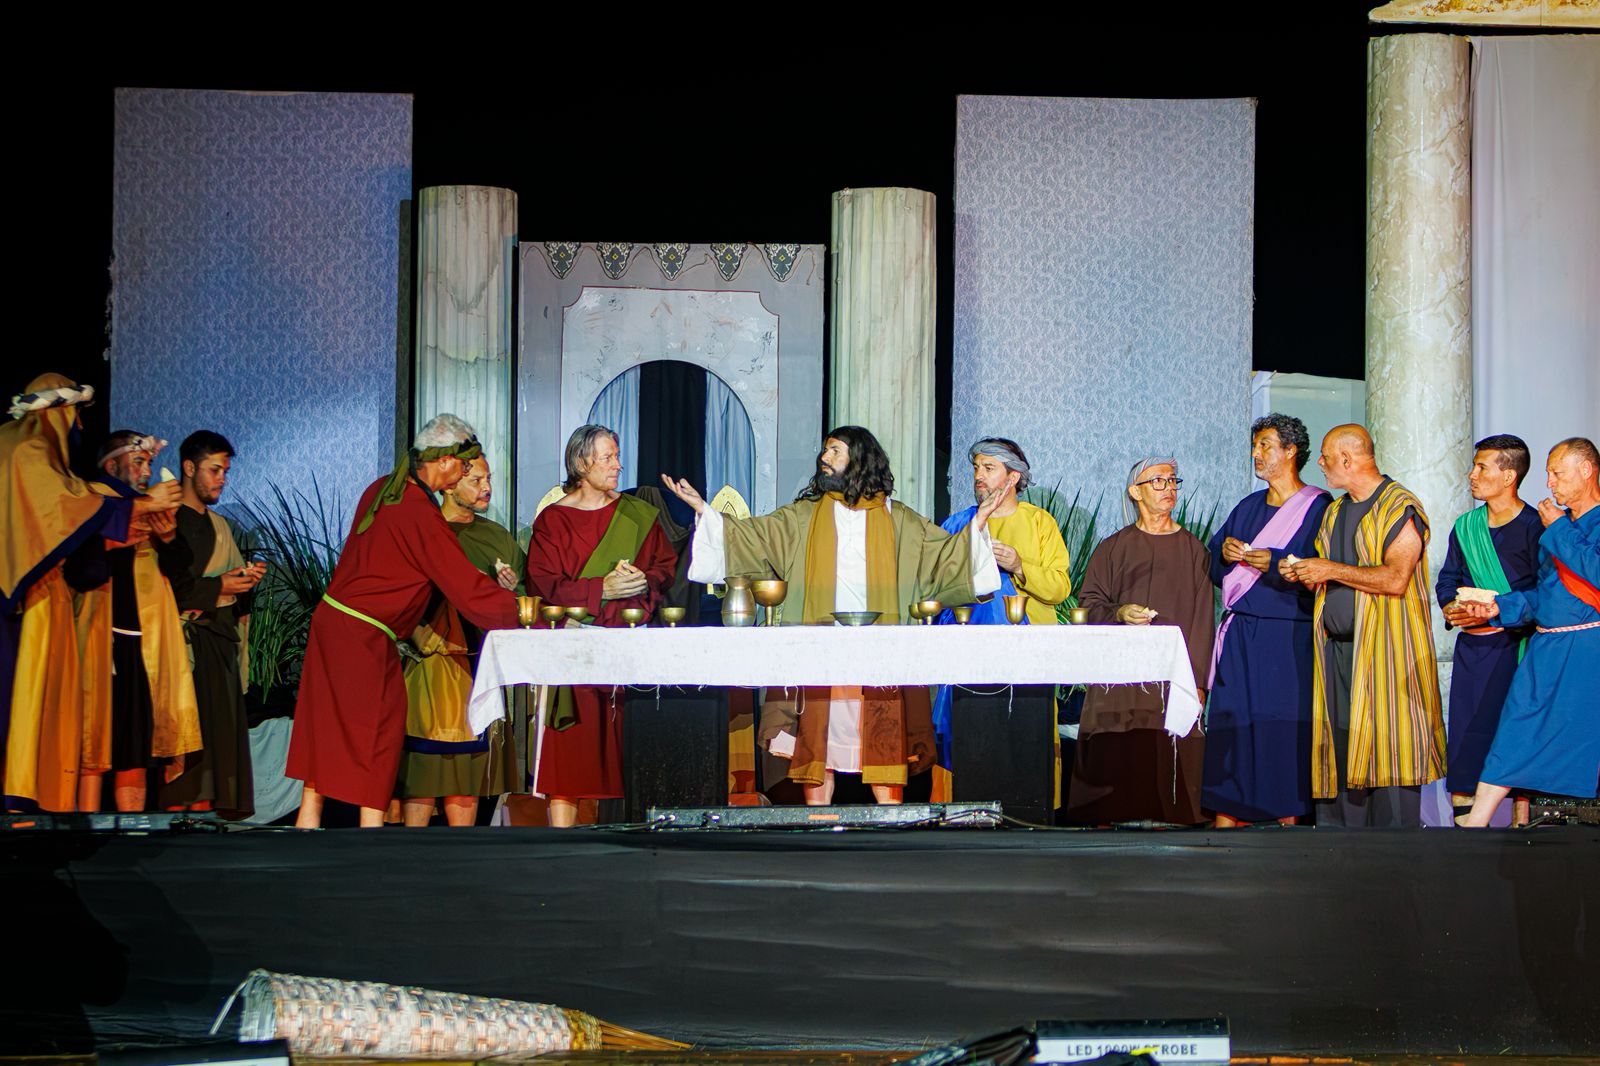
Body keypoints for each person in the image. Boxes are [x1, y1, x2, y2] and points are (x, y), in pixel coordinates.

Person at [663, 425, 1003, 806]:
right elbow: (754, 538)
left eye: (835, 451)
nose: (824, 458)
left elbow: (945, 557)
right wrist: (705, 512)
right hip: (821, 650)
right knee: (818, 742)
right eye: (825, 450)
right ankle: (818, 821)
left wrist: (978, 525)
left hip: (878, 656)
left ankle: (887, 822)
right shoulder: (804, 517)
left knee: (882, 739)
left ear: (860, 459)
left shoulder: (899, 521)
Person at [288, 414, 519, 828]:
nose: (466, 473)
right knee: (379, 727)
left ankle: (309, 818)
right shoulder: (418, 513)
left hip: (332, 623)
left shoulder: (383, 489)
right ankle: (370, 828)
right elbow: (467, 589)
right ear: (443, 461)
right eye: (464, 465)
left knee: (327, 725)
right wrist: (522, 613)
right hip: (362, 634)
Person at [3, 373, 175, 811]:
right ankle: (22, 804)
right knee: (24, 702)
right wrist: (143, 507)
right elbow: (65, 509)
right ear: (57, 414)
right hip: (28, 605)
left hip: (52, 603)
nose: (79, 427)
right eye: (75, 416)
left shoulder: (30, 455)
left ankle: (37, 806)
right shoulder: (27, 452)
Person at [1282, 424, 1445, 827]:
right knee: (1339, 751)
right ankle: (1338, 849)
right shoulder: (1335, 511)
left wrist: (1329, 569)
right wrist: (1306, 573)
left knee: (1387, 748)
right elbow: (1332, 576)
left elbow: (1396, 578)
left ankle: (1391, 854)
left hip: (1385, 655)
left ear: (1347, 459)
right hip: (1337, 652)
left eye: (1325, 457)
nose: (1320, 464)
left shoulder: (1398, 506)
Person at [525, 425, 676, 828]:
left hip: (628, 651)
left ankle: (629, 840)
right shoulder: (553, 521)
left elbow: (665, 568)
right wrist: (600, 589)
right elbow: (543, 585)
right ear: (580, 463)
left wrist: (645, 581)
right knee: (569, 751)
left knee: (628, 753)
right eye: (607, 457)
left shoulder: (637, 515)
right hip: (573, 649)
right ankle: (562, 841)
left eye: (617, 456)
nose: (618, 465)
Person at [1459, 437, 1600, 825]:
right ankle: (1477, 823)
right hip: (1546, 647)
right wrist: (1499, 607)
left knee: (1583, 740)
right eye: (1548, 474)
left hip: (1587, 646)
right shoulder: (1558, 526)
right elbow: (1545, 594)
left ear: (1586, 471)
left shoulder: (1564, 526)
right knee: (1515, 727)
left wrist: (1559, 529)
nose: (1550, 483)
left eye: (1558, 473)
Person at [1066, 456, 1213, 826]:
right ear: (1135, 492)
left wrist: (1197, 681)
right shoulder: (1113, 548)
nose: (1169, 488)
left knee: (1168, 747)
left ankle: (1173, 818)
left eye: (1173, 481)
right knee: (1119, 748)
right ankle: (1109, 815)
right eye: (1158, 481)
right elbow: (1088, 605)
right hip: (1121, 676)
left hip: (1172, 676)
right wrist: (1120, 612)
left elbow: (1203, 621)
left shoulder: (1194, 551)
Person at [1202, 415, 1329, 826]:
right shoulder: (1248, 506)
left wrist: (1274, 563)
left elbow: (1324, 569)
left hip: (1286, 634)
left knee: (1281, 727)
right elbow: (1214, 563)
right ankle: (1228, 813)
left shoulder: (1319, 507)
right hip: (1240, 632)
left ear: (1291, 451)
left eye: (1265, 446)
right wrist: (1225, 554)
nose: (1256, 454)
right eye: (1255, 446)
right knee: (1233, 723)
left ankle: (1286, 817)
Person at [77, 432, 203, 813]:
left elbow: (182, 576)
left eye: (149, 463)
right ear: (112, 464)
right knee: (93, 739)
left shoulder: (150, 508)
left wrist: (168, 537)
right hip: (97, 638)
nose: (147, 471)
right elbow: (82, 566)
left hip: (143, 640)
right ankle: (83, 826)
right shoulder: (91, 501)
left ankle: (132, 829)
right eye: (138, 463)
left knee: (135, 746)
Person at [396, 456, 524, 827]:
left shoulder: (496, 536)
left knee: (468, 776)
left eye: (489, 479)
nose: (487, 488)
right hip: (430, 664)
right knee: (424, 771)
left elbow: (523, 602)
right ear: (450, 485)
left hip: (479, 668)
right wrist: (419, 634)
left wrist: (510, 589)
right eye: (477, 480)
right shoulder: (427, 530)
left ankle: (463, 853)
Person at [933, 437, 1071, 768]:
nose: (978, 476)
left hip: (1029, 655)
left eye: (989, 468)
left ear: (1013, 477)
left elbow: (1059, 588)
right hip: (970, 657)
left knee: (1025, 748)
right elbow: (936, 585)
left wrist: (1020, 567)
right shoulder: (959, 523)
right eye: (976, 468)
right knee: (972, 746)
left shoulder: (1040, 522)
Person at [1435, 434, 1541, 819]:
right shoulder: (1467, 526)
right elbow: (1448, 579)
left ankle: (1521, 822)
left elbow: (1544, 592)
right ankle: (1464, 821)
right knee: (1468, 734)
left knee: (1514, 731)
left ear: (1509, 476)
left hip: (1517, 648)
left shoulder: (1535, 527)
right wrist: (1452, 607)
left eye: (1482, 467)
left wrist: (1496, 609)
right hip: (1472, 650)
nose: (1472, 474)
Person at [161, 431, 264, 816]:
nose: (222, 479)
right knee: (189, 748)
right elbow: (166, 588)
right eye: (214, 470)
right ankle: (178, 823)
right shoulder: (166, 522)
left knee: (217, 750)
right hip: (183, 650)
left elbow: (231, 593)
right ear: (189, 468)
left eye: (225, 471)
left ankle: (208, 824)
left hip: (218, 647)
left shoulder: (220, 526)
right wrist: (219, 586)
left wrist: (245, 581)